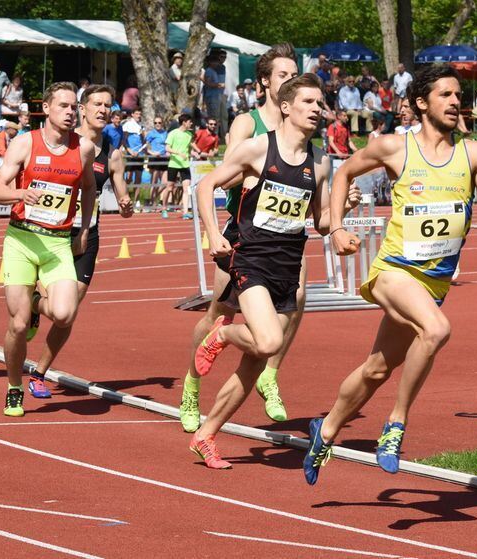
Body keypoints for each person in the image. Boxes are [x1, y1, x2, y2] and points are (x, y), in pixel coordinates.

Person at [302, 65, 477, 485]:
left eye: (457, 96)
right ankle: (395, 425)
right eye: (445, 95)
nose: (455, 102)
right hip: (393, 271)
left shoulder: (474, 154)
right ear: (421, 103)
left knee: (377, 369)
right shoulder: (394, 147)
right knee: (435, 331)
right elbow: (343, 173)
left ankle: (324, 431)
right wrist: (337, 226)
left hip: (434, 283)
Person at [190, 74, 338, 469]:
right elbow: (205, 186)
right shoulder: (257, 149)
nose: (316, 109)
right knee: (269, 343)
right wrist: (210, 233)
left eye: (320, 103)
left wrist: (345, 212)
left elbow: (320, 222)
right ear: (287, 107)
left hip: (288, 265)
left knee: (254, 363)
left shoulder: (321, 162)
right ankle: (221, 332)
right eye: (308, 101)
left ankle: (206, 435)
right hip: (251, 258)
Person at [179, 43, 301, 433]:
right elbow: (227, 175)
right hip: (244, 232)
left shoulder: (301, 125)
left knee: (296, 300)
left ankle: (271, 373)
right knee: (220, 314)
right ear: (265, 82)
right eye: (284, 75)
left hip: (284, 237)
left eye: (294, 74)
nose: (291, 81)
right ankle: (192, 385)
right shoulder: (249, 125)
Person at [0, 82, 97, 417]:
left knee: (64, 314)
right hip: (21, 239)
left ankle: (35, 301)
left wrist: (86, 227)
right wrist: (21, 195)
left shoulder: (85, 148)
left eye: (73, 107)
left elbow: (89, 187)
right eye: (62, 106)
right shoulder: (25, 144)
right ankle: (14, 386)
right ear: (46, 108)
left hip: (58, 241)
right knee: (18, 326)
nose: (69, 112)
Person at [25, 84, 135, 398]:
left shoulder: (112, 155)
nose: (103, 110)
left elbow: (123, 199)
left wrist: (126, 206)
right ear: (81, 108)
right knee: (61, 309)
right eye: (97, 104)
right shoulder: (65, 144)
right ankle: (34, 302)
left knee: (69, 312)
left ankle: (40, 372)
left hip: (87, 235)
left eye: (108, 106)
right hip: (51, 232)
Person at [163, 114, 195, 219]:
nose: (191, 124)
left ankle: (185, 211)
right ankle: (164, 208)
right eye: (189, 122)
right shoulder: (173, 133)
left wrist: (195, 152)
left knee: (186, 188)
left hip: (185, 165)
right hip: (174, 164)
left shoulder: (189, 134)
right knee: (169, 188)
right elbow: (167, 148)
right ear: (184, 122)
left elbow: (189, 147)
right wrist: (178, 153)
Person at [203, 52, 228, 140]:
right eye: (215, 61)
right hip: (212, 97)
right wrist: (218, 85)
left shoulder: (214, 70)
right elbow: (208, 83)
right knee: (215, 117)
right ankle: (214, 136)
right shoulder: (209, 70)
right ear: (211, 62)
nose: (217, 63)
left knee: (221, 116)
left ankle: (220, 136)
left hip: (218, 96)